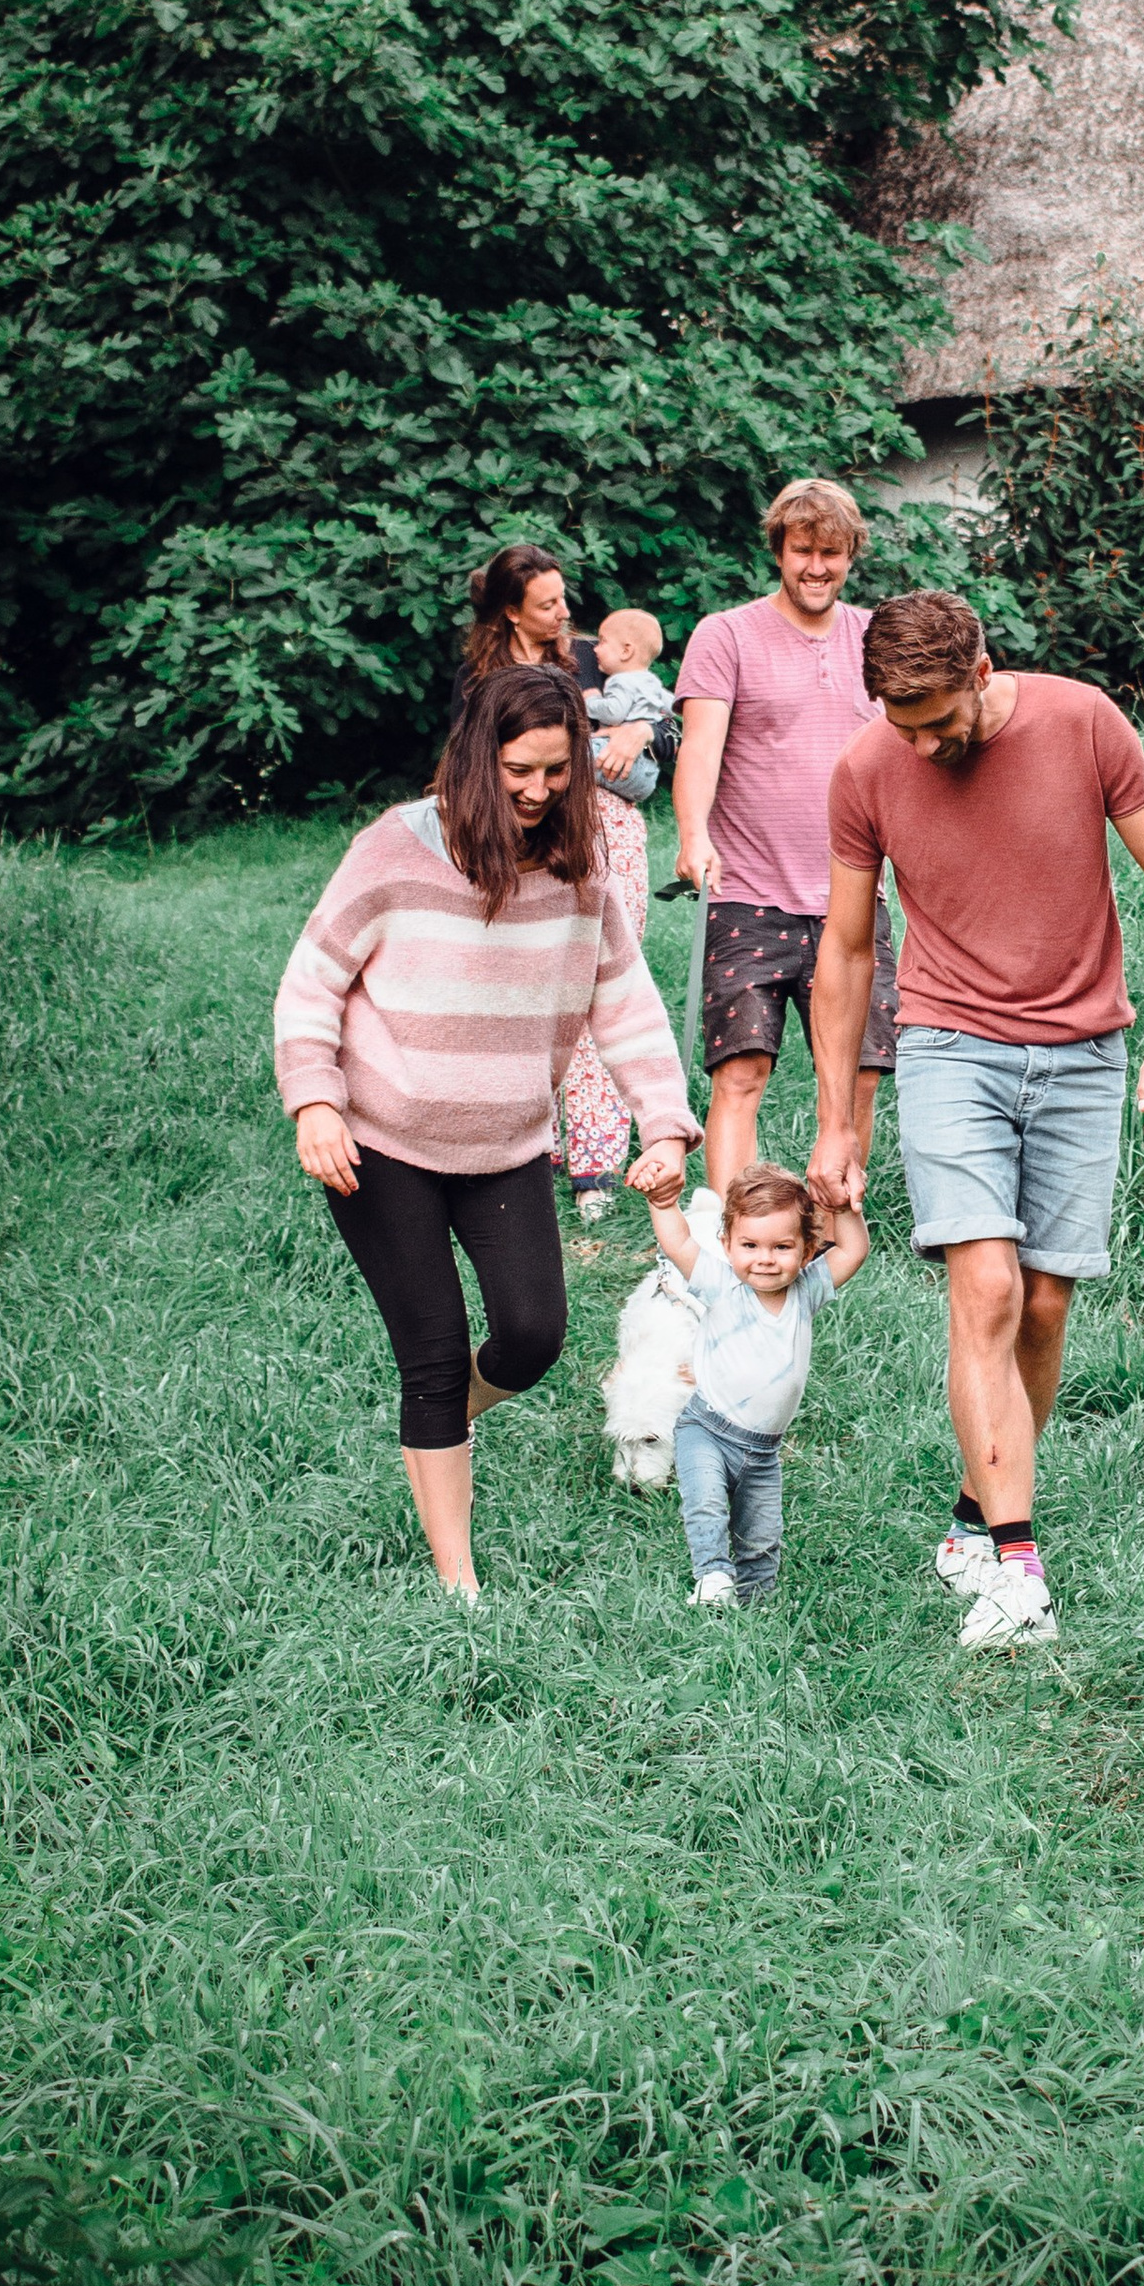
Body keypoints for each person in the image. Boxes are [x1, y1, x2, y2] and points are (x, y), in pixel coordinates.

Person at [807, 590, 1144, 1653]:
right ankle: (1016, 1571)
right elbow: (846, 951)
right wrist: (838, 1121)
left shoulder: (1084, 722)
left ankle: (971, 1520)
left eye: (939, 719)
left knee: (1039, 1307)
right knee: (982, 1287)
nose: (925, 745)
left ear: (982, 670)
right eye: (905, 726)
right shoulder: (867, 770)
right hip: (948, 1045)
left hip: (1083, 1055)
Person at [275, 658, 698, 1600]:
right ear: (478, 758)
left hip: (505, 1144)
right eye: (520, 772)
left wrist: (663, 1126)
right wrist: (314, 1100)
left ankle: (436, 1424)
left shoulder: (579, 867)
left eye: (559, 771)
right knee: (430, 1353)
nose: (541, 790)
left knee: (533, 1335)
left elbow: (624, 1004)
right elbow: (312, 984)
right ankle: (458, 1583)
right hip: (378, 1144)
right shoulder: (396, 848)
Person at [672, 478, 902, 1195]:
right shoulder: (727, 633)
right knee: (741, 1071)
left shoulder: (877, 638)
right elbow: (700, 748)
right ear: (779, 549)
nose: (816, 567)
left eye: (831, 553)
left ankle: (833, 1230)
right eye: (802, 550)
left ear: (851, 555)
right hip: (749, 891)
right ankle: (729, 1239)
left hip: (853, 895)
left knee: (858, 1080)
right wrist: (691, 834)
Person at [455, 544, 648, 1229]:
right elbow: (463, 770)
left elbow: (668, 722)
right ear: (510, 612)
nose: (567, 612)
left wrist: (640, 726)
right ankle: (524, 1151)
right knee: (520, 996)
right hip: (515, 841)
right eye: (547, 603)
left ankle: (595, 1164)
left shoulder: (596, 657)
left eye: (565, 597)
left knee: (601, 988)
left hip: (603, 830)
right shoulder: (479, 682)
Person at [643, 1162, 869, 1610]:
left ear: (808, 1251)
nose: (765, 1258)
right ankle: (712, 1576)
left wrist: (844, 1208)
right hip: (705, 1429)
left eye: (782, 1246)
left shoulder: (806, 1292)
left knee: (763, 1538)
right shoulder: (722, 1285)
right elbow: (680, 1242)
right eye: (750, 1245)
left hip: (763, 1452)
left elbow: (854, 1251)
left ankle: (755, 1611)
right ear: (727, 1246)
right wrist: (663, 1202)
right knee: (706, 1504)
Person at [585, 608, 675, 805]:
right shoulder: (653, 683)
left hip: (616, 762)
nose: (595, 649)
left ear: (626, 651)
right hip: (647, 775)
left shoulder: (621, 682)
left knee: (572, 751)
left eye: (602, 642)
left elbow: (614, 713)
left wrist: (590, 702)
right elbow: (676, 707)